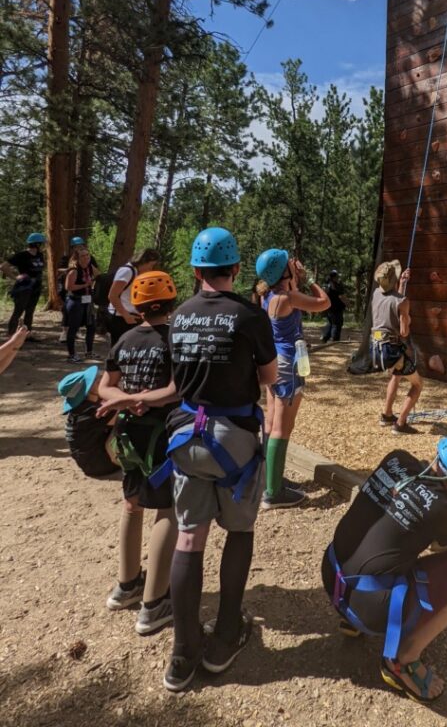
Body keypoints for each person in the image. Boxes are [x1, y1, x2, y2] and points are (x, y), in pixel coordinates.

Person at [160, 227, 277, 693]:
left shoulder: (180, 315)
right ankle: (226, 634)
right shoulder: (249, 315)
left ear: (194, 270)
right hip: (233, 441)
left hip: (186, 437)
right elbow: (269, 376)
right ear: (235, 269)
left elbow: (179, 379)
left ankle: (183, 651)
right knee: (240, 530)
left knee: (190, 538)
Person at [321, 429, 447, 703]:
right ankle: (403, 660)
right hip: (369, 608)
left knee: (386, 542)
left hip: (333, 576)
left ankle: (350, 622)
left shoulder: (396, 460)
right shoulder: (444, 506)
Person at [96, 271, 180, 636]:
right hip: (162, 436)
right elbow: (178, 389)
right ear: (172, 302)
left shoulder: (125, 339)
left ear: (138, 307)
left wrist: (128, 400)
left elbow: (104, 387)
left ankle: (126, 584)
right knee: (167, 508)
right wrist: (143, 400)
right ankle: (153, 604)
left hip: (129, 434)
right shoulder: (175, 340)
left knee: (132, 503)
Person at [254, 249, 330, 509]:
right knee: (282, 428)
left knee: (270, 422)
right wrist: (308, 279)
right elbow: (324, 302)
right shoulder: (289, 297)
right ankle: (273, 493)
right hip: (289, 365)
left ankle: (269, 478)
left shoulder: (268, 295)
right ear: (283, 271)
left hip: (274, 361)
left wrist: (293, 277)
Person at [371, 261, 423, 434]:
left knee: (396, 375)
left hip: (377, 348)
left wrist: (401, 284)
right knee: (417, 384)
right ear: (393, 281)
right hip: (392, 349)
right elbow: (404, 333)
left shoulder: (376, 294)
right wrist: (407, 319)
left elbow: (393, 301)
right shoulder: (403, 302)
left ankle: (386, 415)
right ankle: (400, 424)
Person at [107, 248, 161, 345]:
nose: (151, 269)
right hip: (120, 318)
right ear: (143, 261)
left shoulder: (137, 273)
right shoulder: (127, 271)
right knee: (119, 349)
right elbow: (112, 295)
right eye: (151, 265)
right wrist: (125, 315)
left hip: (130, 317)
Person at [3, 233, 46, 338]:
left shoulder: (40, 255)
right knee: (18, 311)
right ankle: (11, 335)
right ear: (36, 244)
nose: (43, 245)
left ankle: (26, 334)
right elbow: (3, 266)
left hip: (36, 288)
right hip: (24, 288)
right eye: (41, 243)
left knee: (30, 312)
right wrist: (15, 277)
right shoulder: (22, 255)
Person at [64, 246, 98, 362]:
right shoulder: (74, 270)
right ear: (77, 258)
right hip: (75, 301)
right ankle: (71, 355)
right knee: (73, 328)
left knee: (92, 326)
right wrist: (85, 285)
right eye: (83, 256)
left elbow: (99, 275)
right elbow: (68, 287)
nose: (86, 258)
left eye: (87, 255)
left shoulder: (89, 267)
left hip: (88, 301)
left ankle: (89, 352)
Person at [321, 269, 347, 343]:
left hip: (329, 307)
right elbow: (342, 296)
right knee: (337, 324)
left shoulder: (326, 285)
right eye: (337, 276)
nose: (338, 278)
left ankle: (325, 337)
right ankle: (334, 339)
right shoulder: (336, 285)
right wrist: (347, 303)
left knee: (330, 323)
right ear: (334, 277)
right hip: (336, 308)